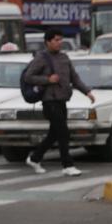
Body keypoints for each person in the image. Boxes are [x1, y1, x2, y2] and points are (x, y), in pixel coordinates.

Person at [24, 29, 96, 176]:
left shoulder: (64, 58)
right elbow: (28, 77)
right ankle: (67, 165)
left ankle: (34, 158)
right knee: (63, 132)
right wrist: (47, 80)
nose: (59, 43)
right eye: (56, 40)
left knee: (55, 134)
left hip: (62, 100)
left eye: (60, 40)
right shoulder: (41, 58)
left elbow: (74, 78)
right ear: (48, 42)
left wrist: (87, 92)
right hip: (49, 101)